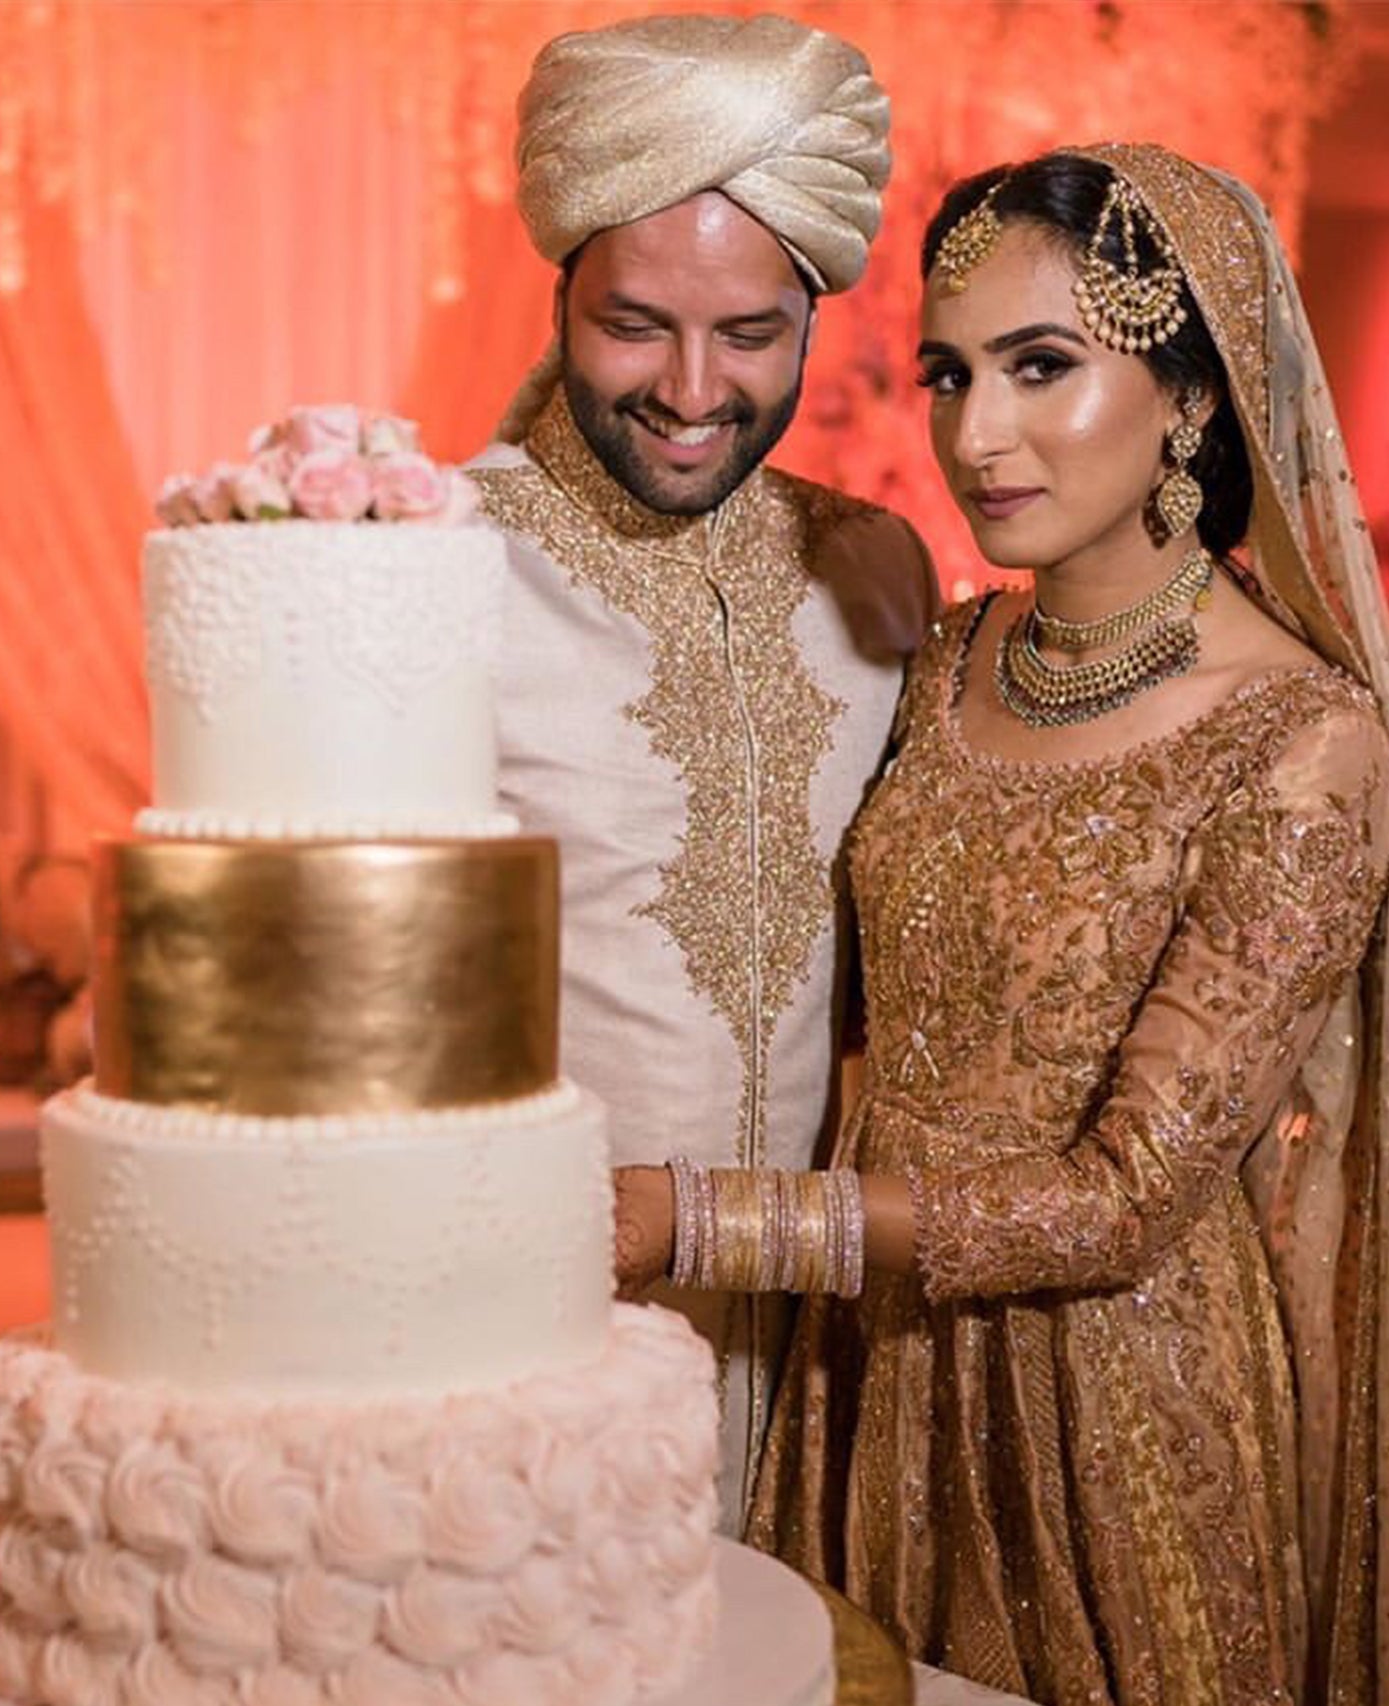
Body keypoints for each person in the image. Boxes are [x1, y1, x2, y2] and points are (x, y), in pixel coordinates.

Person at [614, 145, 1389, 1706]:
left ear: (1191, 396)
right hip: (874, 1366)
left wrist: (700, 1220)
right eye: (949, 371)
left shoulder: (1295, 743)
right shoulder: (949, 657)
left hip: (1107, 1410)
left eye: (1041, 366)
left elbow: (1124, 1201)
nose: (974, 433)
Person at [467, 13, 936, 1531]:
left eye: (749, 334)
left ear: (815, 317)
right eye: (635, 323)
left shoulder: (874, 569)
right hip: (524, 1356)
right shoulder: (433, 561)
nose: (690, 387)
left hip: (821, 1366)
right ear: (560, 295)